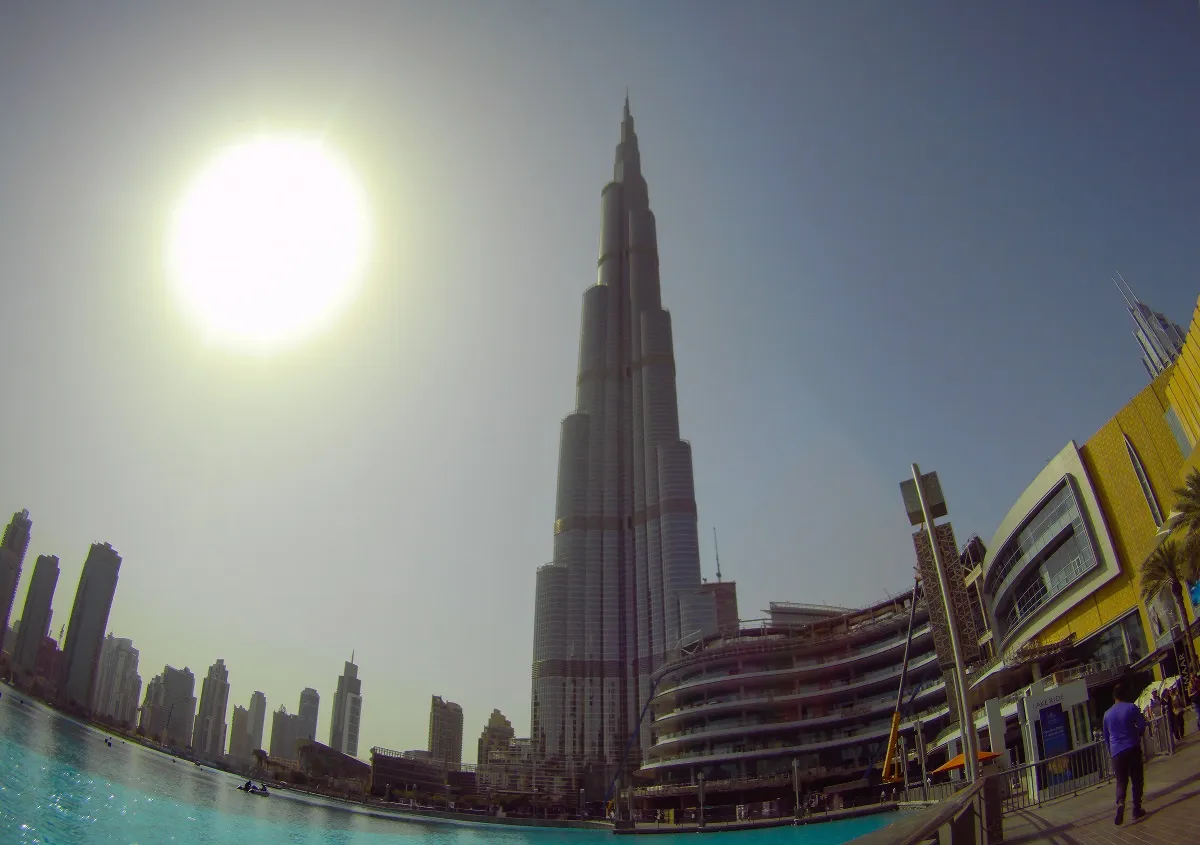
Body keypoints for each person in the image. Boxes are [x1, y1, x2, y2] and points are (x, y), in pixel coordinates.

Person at [1102, 682, 1146, 825]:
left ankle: (1121, 803)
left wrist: (1112, 750)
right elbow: (1142, 725)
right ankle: (1136, 809)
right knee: (1137, 779)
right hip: (1132, 746)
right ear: (1124, 694)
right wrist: (1138, 733)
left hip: (1117, 752)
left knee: (1121, 781)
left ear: (1114, 697)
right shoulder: (1131, 707)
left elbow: (1106, 737)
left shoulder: (1107, 715)